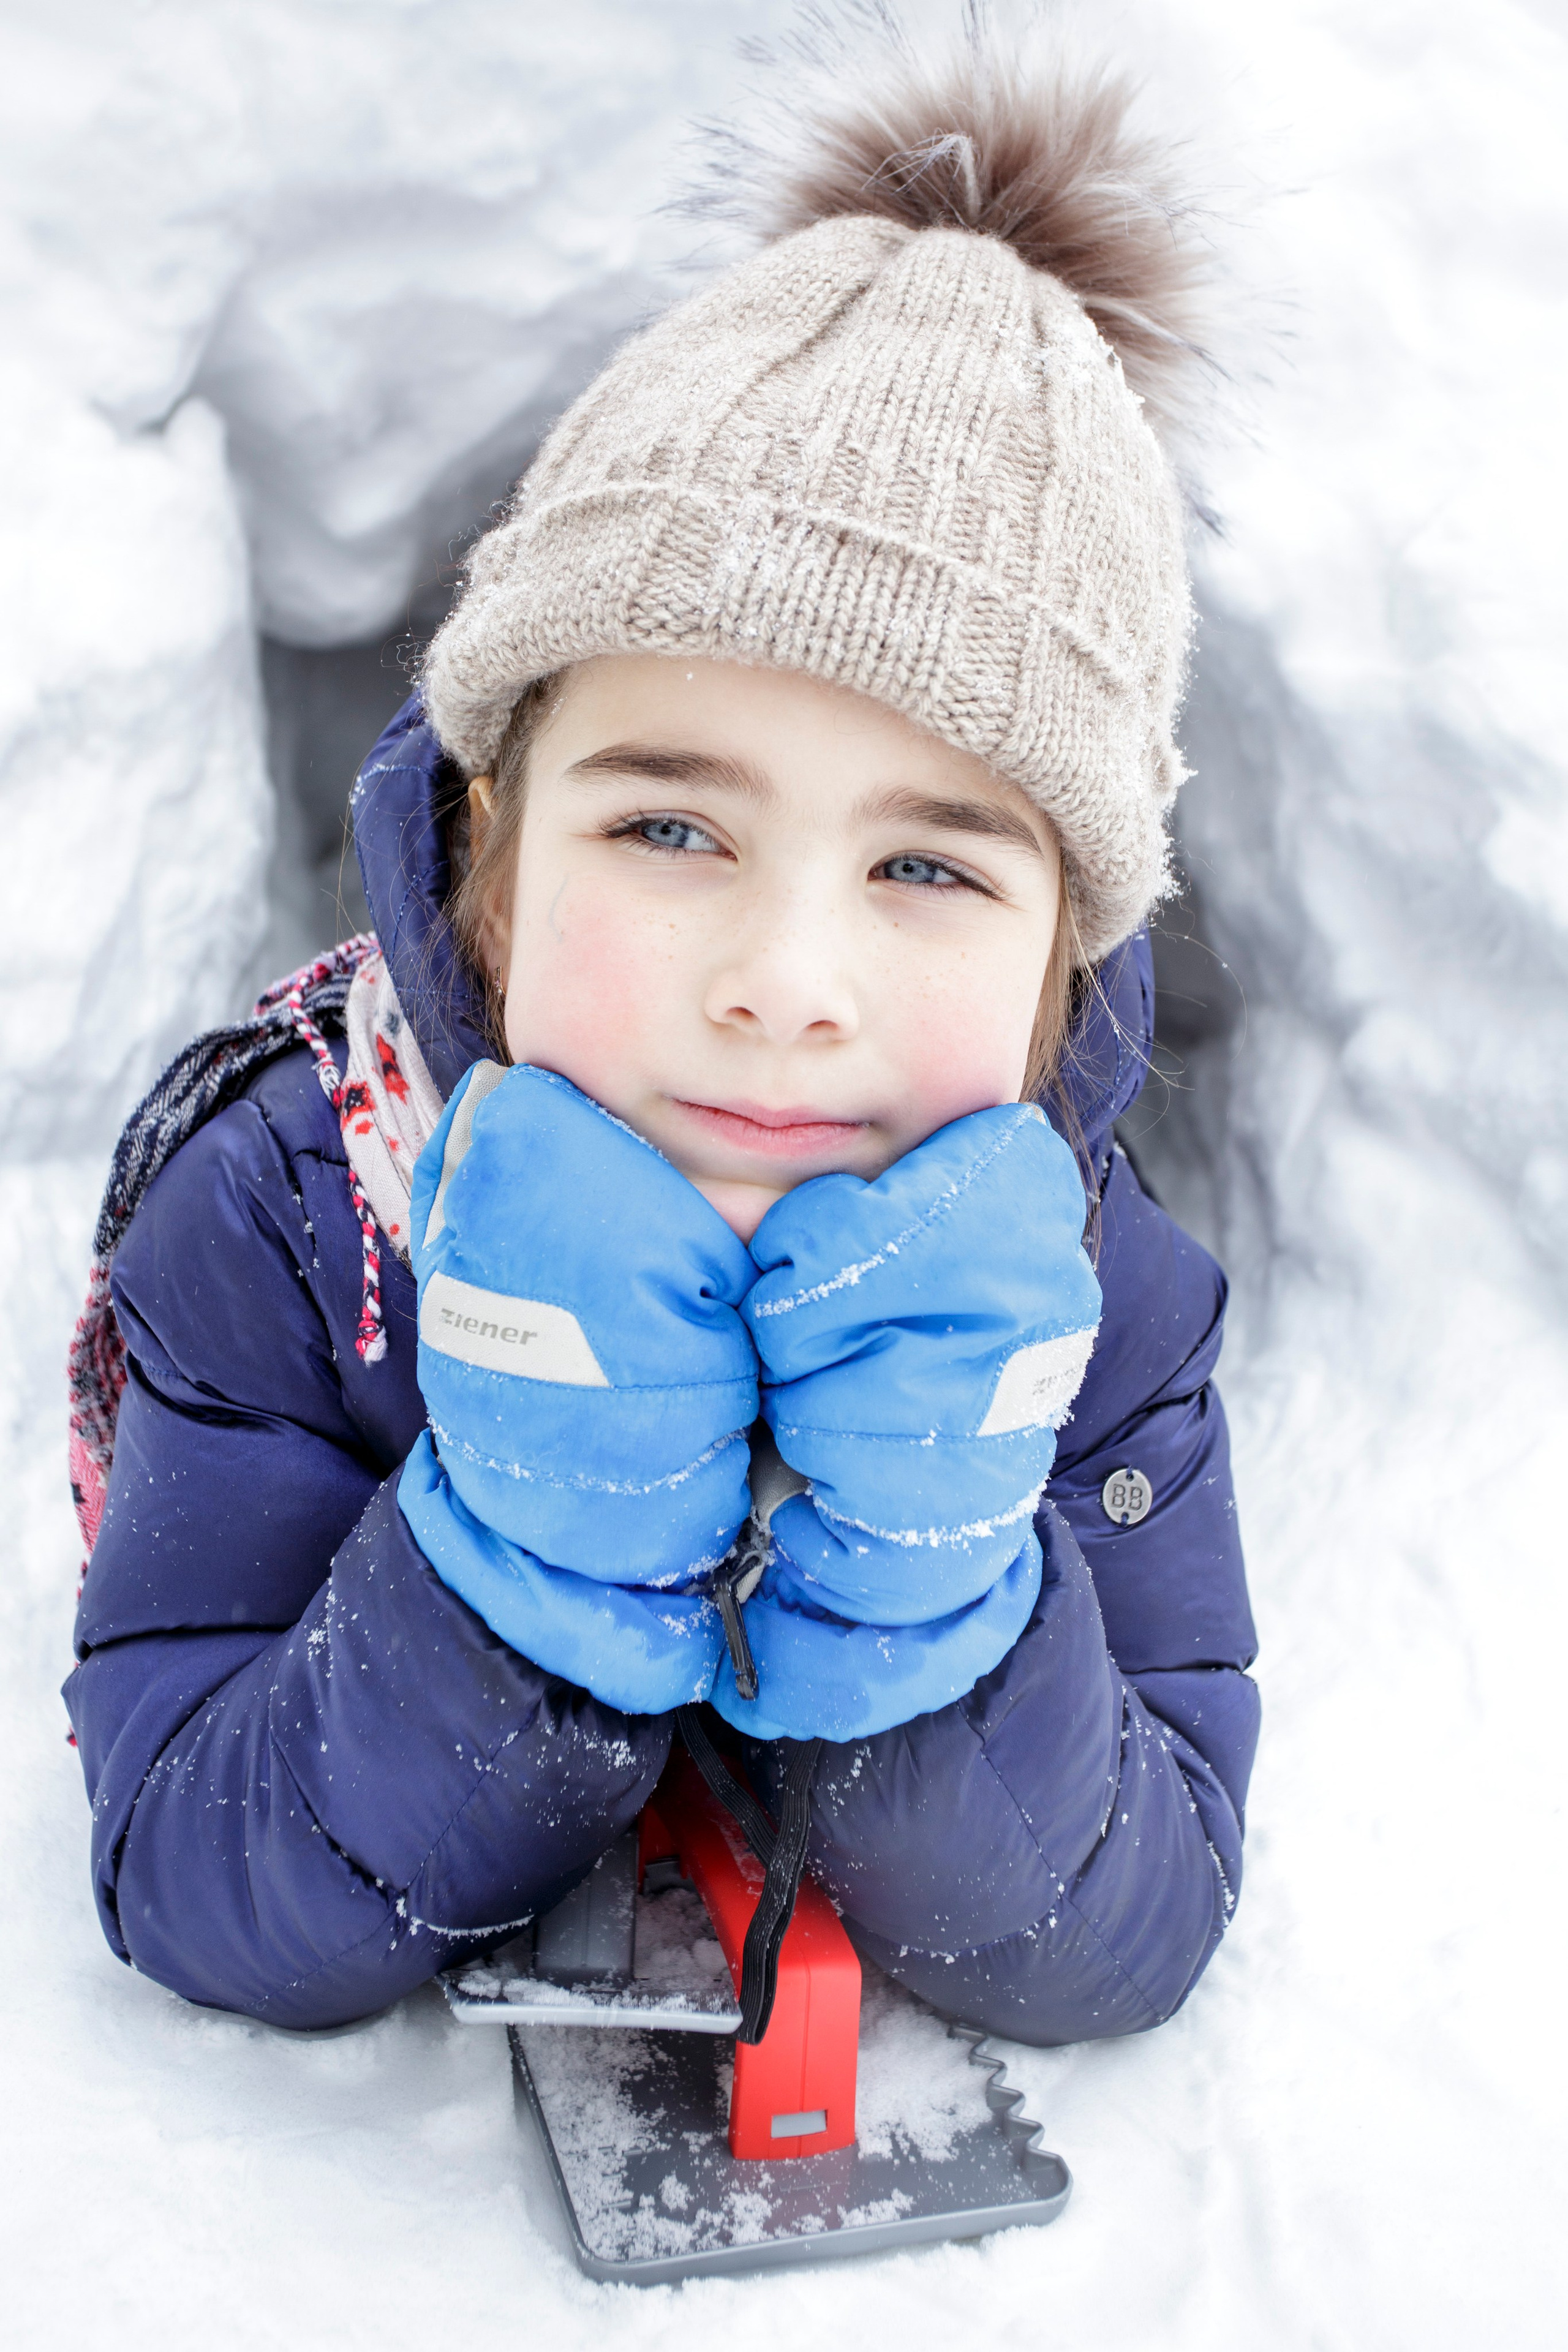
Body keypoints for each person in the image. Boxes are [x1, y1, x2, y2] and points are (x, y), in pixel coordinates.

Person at [64, 36, 1259, 2039]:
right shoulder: (299, 1220)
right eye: (673, 827)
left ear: (1072, 962)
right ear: (492, 866)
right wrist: (506, 1570)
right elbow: (197, 1877)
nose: (788, 978)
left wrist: (945, 1595)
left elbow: (1125, 1939)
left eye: (932, 871)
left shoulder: (1092, 1304)